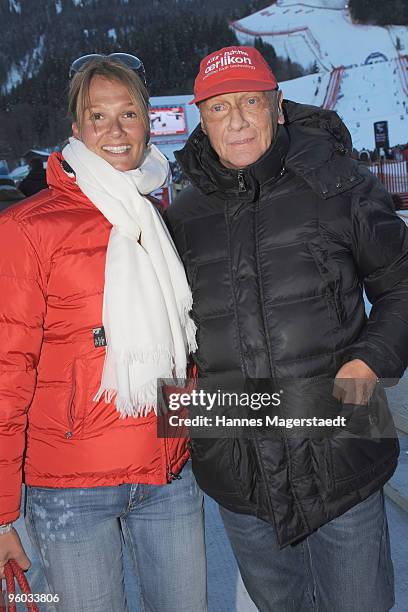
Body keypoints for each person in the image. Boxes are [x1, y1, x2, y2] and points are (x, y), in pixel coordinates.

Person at [165, 46, 408, 612]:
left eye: (250, 101)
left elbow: (400, 284)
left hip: (341, 449)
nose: (238, 120)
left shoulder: (339, 183)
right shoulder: (183, 215)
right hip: (238, 469)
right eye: (220, 107)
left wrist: (371, 359)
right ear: (202, 118)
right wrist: (191, 426)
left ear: (277, 107)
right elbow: (162, 335)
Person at [0, 54, 207, 612]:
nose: (116, 131)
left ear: (147, 121)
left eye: (129, 114)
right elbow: (5, 375)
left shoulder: (153, 218)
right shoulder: (25, 229)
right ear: (76, 130)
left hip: (168, 474)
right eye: (98, 116)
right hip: (70, 491)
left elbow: (181, 355)